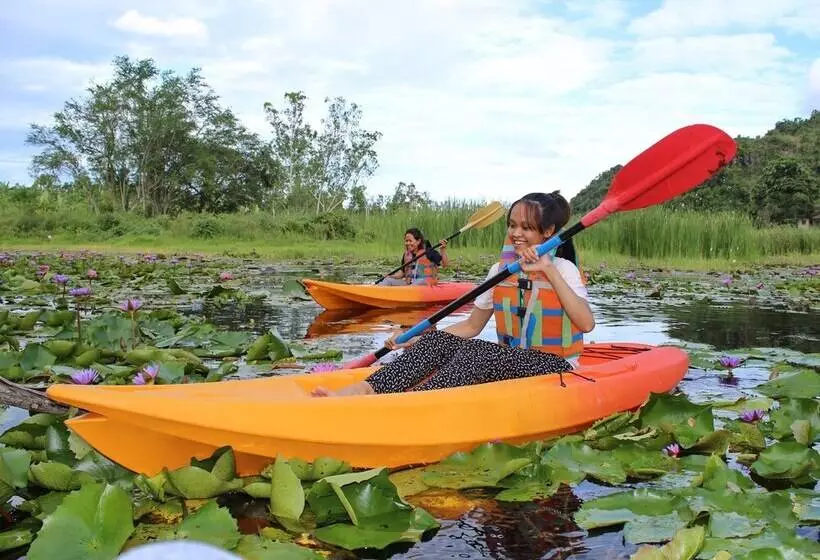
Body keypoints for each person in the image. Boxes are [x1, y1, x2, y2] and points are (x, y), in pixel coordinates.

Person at [312, 191, 595, 397]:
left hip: (555, 365)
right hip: (513, 359)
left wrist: (548, 271)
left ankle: (418, 400)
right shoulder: (500, 269)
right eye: (512, 225)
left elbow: (586, 324)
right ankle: (364, 390)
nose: (515, 233)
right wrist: (417, 338)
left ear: (548, 232)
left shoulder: (563, 268)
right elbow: (472, 326)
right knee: (439, 340)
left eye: (526, 227)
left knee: (477, 353)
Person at [379, 228, 449, 286]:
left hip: (426, 283)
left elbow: (444, 265)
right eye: (406, 241)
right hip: (409, 284)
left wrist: (442, 250)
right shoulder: (406, 255)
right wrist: (391, 276)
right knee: (388, 280)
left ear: (418, 241)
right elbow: (402, 273)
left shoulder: (429, 252)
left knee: (418, 282)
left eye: (410, 241)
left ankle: (405, 293)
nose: (408, 243)